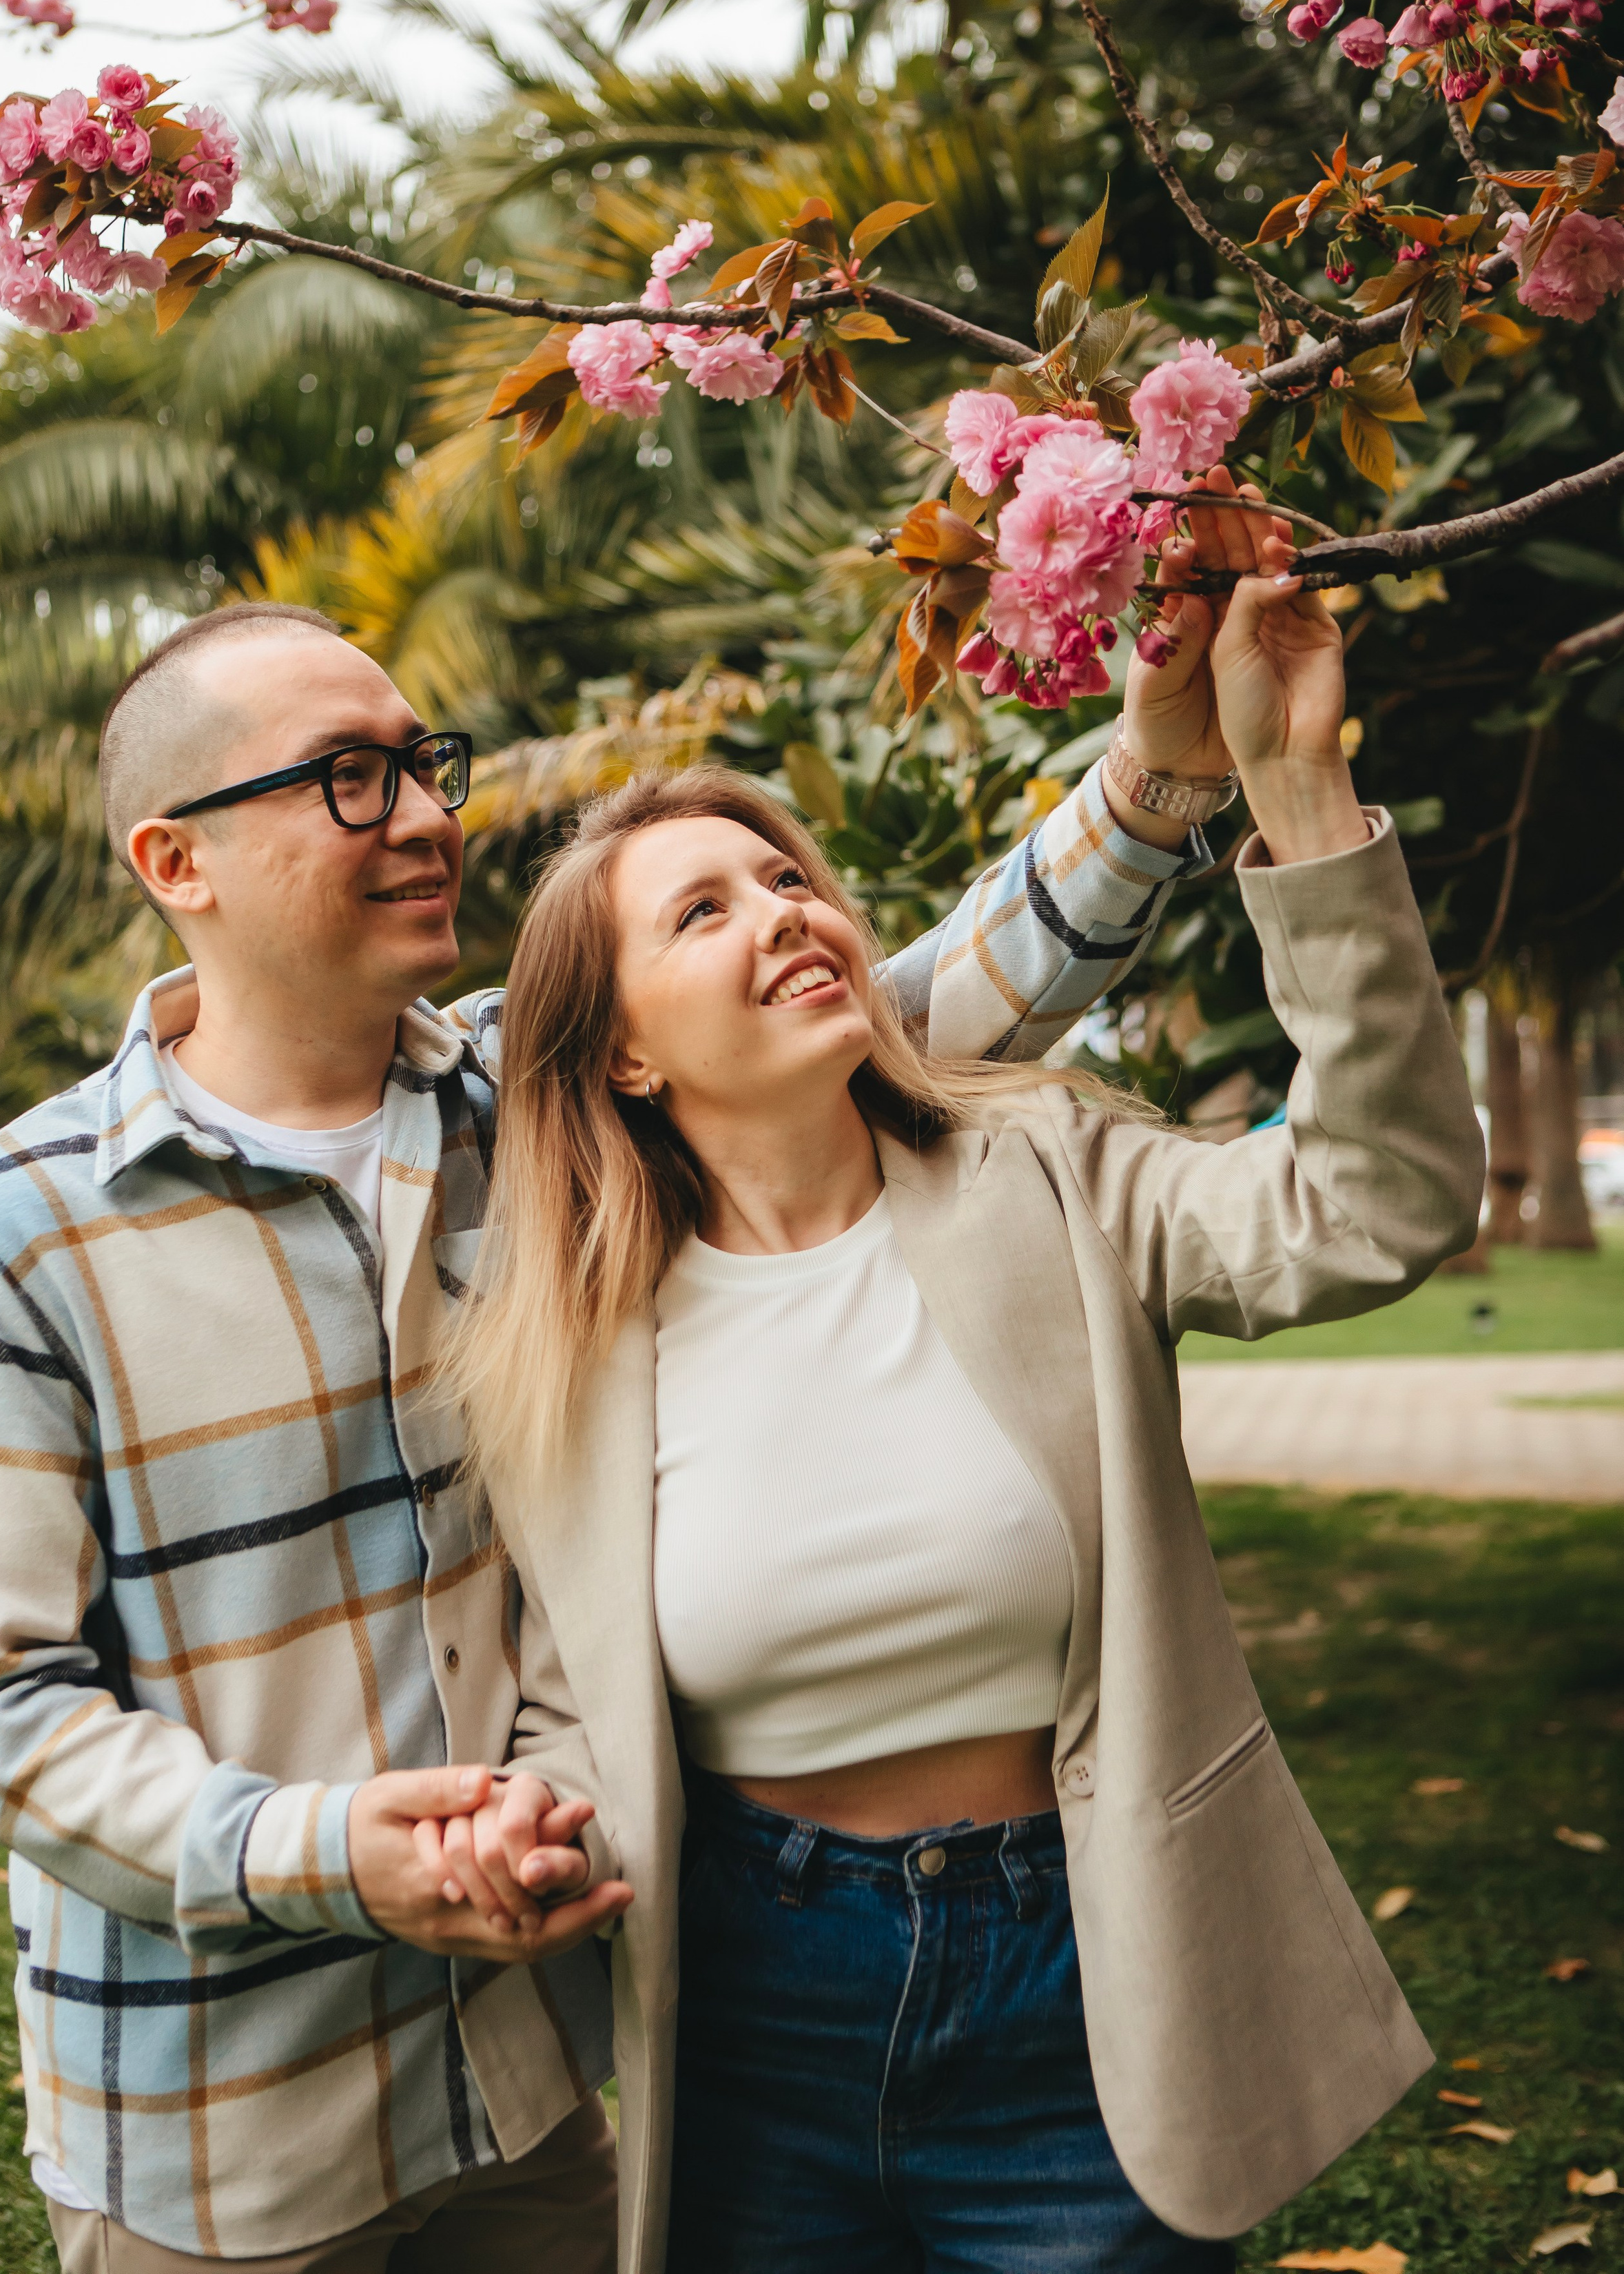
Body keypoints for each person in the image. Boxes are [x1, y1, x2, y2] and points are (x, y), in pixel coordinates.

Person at [0, 592, 1204, 2273]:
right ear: (175, 861)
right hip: (223, 2133)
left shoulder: (536, 1105)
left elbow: (904, 1003)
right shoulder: (13, 1229)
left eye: (420, 765)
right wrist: (321, 1855)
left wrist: (1154, 780)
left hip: (532, 2078)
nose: (429, 814)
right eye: (346, 778)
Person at [444, 502, 1487, 2274]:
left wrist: (1292, 795)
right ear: (619, 1049)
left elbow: (1382, 1198)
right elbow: (576, 1693)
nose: (782, 915)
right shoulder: (565, 1343)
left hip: (1084, 1961)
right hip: (749, 1998)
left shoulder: (1056, 1176)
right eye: (702, 910)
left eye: (789, 881)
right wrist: (530, 1824)